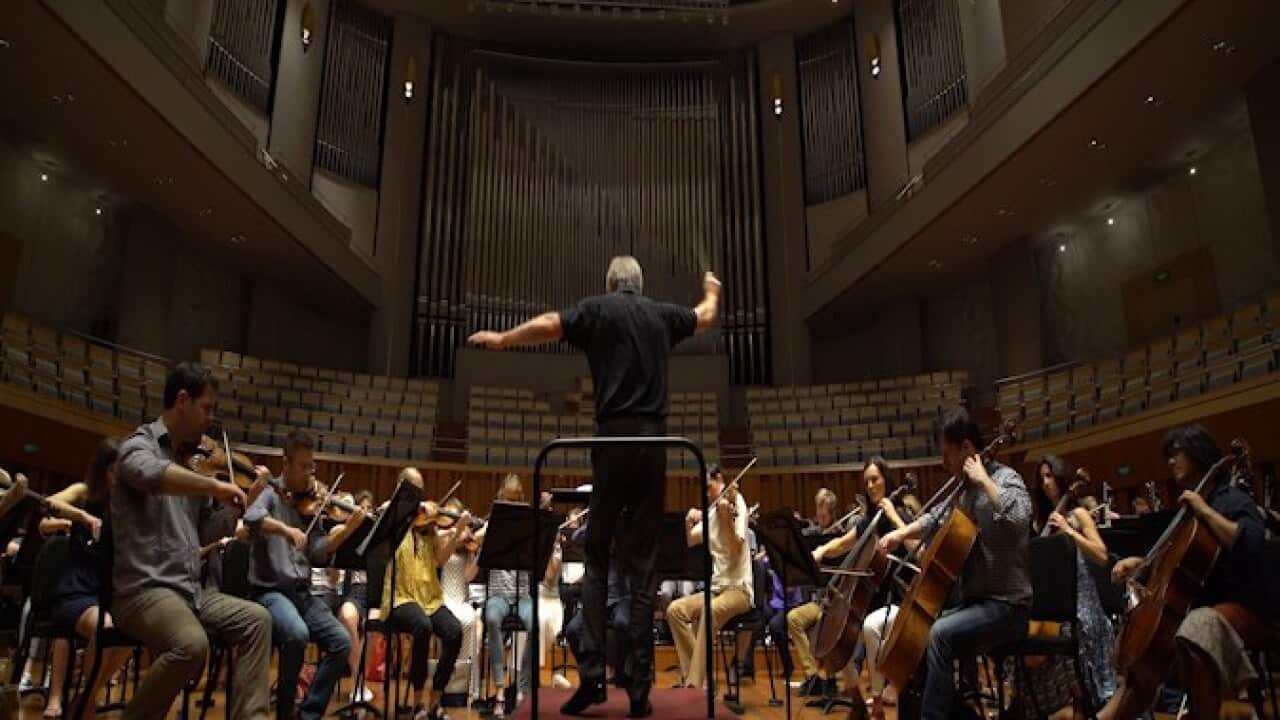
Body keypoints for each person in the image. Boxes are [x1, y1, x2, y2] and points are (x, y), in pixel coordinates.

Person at [469, 257, 720, 718]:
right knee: (643, 569)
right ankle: (640, 691)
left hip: (610, 441)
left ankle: (591, 680)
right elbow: (705, 317)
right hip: (654, 444)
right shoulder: (662, 313)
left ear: (609, 285)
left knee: (598, 556)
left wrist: (504, 340)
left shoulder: (598, 309)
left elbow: (550, 324)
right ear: (640, 286)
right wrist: (712, 288)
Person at [110, 362, 274, 720]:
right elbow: (149, 473)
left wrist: (235, 508)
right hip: (145, 590)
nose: (209, 419)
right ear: (182, 400)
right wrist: (214, 485)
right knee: (191, 644)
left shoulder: (193, 464)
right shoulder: (139, 444)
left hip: (192, 592)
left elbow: (204, 534)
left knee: (257, 620)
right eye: (206, 408)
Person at [1099, 425, 1268, 720]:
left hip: (1243, 605)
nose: (1170, 462)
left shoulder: (1232, 500)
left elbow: (1252, 544)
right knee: (1143, 664)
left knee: (1194, 629)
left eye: (1176, 453)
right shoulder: (1187, 511)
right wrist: (1139, 563)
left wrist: (1204, 511)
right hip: (1197, 607)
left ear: (1198, 454)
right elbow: (1176, 565)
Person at [879, 407, 1033, 720]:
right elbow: (935, 517)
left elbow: (1020, 520)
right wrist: (901, 533)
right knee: (921, 633)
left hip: (1008, 606)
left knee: (940, 634)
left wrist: (985, 482)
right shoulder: (962, 492)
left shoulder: (1006, 479)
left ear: (966, 449)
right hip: (977, 604)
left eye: (948, 454)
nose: (943, 463)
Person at [243, 430, 364, 720]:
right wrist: (285, 530)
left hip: (301, 593)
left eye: (313, 466)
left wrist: (347, 530)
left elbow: (319, 552)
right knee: (296, 635)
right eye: (303, 466)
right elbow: (251, 518)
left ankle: (307, 714)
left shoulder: (309, 503)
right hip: (270, 591)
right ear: (285, 464)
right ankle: (285, 712)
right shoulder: (271, 494)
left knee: (341, 642)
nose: (310, 474)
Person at [40, 438, 129, 720]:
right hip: (75, 591)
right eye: (114, 471)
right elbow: (48, 505)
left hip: (106, 592)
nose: (118, 479)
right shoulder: (83, 492)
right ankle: (86, 704)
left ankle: (84, 699)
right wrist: (81, 517)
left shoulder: (125, 508)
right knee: (107, 629)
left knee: (132, 630)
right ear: (102, 470)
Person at [1021, 455, 1116, 716]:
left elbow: (1101, 555)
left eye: (1050, 476)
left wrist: (1070, 531)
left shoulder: (1078, 514)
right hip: (1052, 605)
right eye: (1041, 478)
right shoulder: (1040, 523)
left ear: (1062, 478)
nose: (1045, 483)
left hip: (1082, 603)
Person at [383, 467, 466, 720]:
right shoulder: (390, 514)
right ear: (401, 490)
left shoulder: (428, 526)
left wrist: (456, 533)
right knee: (422, 626)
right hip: (400, 597)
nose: (420, 497)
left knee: (454, 630)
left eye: (421, 491)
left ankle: (435, 702)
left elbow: (440, 560)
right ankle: (417, 703)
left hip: (429, 597)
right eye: (414, 490)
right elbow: (386, 513)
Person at [667, 464, 753, 690]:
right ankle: (701, 678)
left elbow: (736, 549)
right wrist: (688, 521)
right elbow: (691, 540)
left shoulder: (736, 503)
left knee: (709, 610)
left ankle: (694, 685)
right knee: (674, 610)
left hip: (739, 590)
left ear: (720, 479)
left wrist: (726, 518)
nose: (706, 494)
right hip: (716, 589)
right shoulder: (714, 512)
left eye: (709, 487)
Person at [785, 486, 868, 698]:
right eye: (818, 514)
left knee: (822, 626)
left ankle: (832, 680)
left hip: (838, 603)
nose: (820, 519)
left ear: (832, 513)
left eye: (823, 515)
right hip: (821, 601)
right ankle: (814, 677)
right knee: (793, 618)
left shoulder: (841, 537)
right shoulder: (814, 536)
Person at [481, 474, 535, 717]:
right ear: (501, 499)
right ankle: (500, 688)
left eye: (516, 501)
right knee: (492, 619)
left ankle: (522, 689)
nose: (511, 505)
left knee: (535, 622)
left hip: (522, 595)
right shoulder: (491, 524)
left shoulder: (528, 526)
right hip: (498, 595)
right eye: (507, 501)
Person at [438, 497, 482, 700]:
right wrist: (456, 534)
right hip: (442, 595)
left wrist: (477, 554)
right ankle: (444, 682)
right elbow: (440, 561)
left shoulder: (466, 544)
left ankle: (463, 685)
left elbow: (467, 577)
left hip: (461, 597)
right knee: (451, 621)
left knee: (470, 619)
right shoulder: (442, 537)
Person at [337, 489, 374, 701]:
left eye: (370, 509)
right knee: (347, 616)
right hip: (354, 590)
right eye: (362, 508)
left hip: (375, 590)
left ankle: (361, 683)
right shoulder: (346, 532)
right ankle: (358, 682)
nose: (366, 513)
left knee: (373, 626)